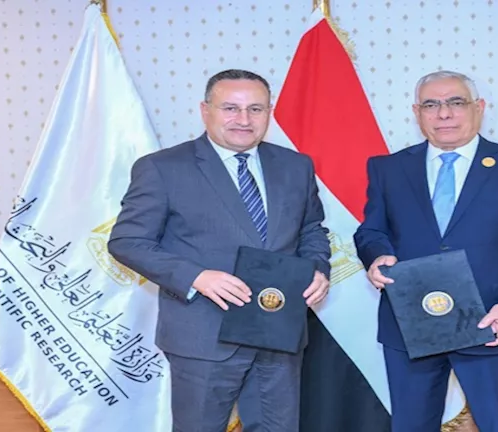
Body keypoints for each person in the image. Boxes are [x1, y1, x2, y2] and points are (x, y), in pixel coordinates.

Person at [108, 69, 331, 432]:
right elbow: (127, 241)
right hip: (203, 334)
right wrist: (196, 277)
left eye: (255, 109)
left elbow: (311, 229)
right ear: (205, 110)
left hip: (278, 331)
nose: (244, 119)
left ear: (269, 112)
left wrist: (318, 268)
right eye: (230, 108)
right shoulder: (162, 168)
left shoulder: (296, 165)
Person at [353, 70, 498, 432]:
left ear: (479, 107)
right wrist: (377, 256)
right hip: (410, 326)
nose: (444, 114)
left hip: (492, 325)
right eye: (431, 105)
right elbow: (371, 230)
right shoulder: (388, 168)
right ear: (416, 113)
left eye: (456, 102)